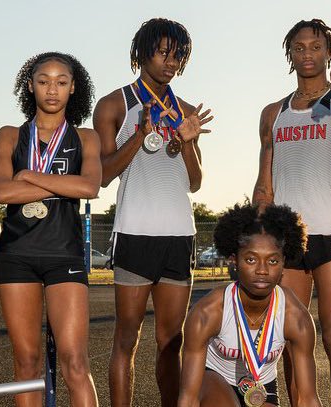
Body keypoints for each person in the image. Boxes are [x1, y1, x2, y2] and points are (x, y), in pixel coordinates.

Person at [93, 18, 214, 407]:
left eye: (177, 55)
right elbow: (103, 176)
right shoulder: (114, 104)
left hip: (179, 235)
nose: (170, 62)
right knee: (126, 339)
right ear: (142, 53)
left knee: (170, 342)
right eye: (163, 52)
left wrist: (188, 142)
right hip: (134, 233)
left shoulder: (187, 109)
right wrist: (140, 137)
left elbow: (195, 183)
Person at [251, 19, 331, 405]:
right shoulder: (273, 113)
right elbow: (264, 181)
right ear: (290, 55)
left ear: (329, 53)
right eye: (299, 48)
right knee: (288, 332)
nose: (307, 54)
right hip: (287, 237)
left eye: (315, 47)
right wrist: (257, 228)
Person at [0, 52, 102, 407]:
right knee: (27, 362)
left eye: (61, 81)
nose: (51, 89)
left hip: (63, 254)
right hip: (17, 255)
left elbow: (90, 188)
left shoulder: (87, 137)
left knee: (75, 362)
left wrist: (31, 176)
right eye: (43, 81)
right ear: (30, 85)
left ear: (73, 88)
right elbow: (1, 191)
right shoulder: (9, 135)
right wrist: (62, 183)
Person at [177, 204, 321, 407]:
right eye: (251, 259)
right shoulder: (208, 312)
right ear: (234, 260)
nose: (262, 270)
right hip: (212, 383)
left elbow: (308, 398)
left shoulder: (295, 316)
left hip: (260, 389)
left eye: (272, 261)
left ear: (283, 263)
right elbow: (188, 398)